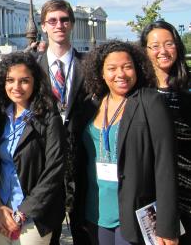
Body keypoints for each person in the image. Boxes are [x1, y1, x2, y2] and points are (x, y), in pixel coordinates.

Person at [72, 40, 179, 245]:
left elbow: (165, 165)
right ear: (101, 73)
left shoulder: (150, 101)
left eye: (127, 67)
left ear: (137, 69)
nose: (120, 74)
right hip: (96, 211)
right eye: (112, 68)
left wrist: (167, 225)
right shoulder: (91, 105)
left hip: (135, 213)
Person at [0, 52, 65, 244]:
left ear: (35, 83)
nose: (16, 87)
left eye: (24, 81)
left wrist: (23, 213)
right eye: (10, 80)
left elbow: (55, 169)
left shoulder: (48, 117)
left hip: (34, 215)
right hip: (3, 211)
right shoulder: (0, 116)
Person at [38, 0, 89, 244]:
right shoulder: (32, 69)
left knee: (84, 234)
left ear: (72, 25)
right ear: (43, 26)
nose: (59, 25)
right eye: (52, 20)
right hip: (45, 166)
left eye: (64, 20)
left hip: (83, 162)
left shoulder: (90, 66)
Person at [141, 21, 191, 244]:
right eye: (155, 46)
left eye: (169, 44)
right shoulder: (139, 93)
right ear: (145, 50)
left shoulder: (187, 89)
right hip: (151, 193)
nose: (163, 51)